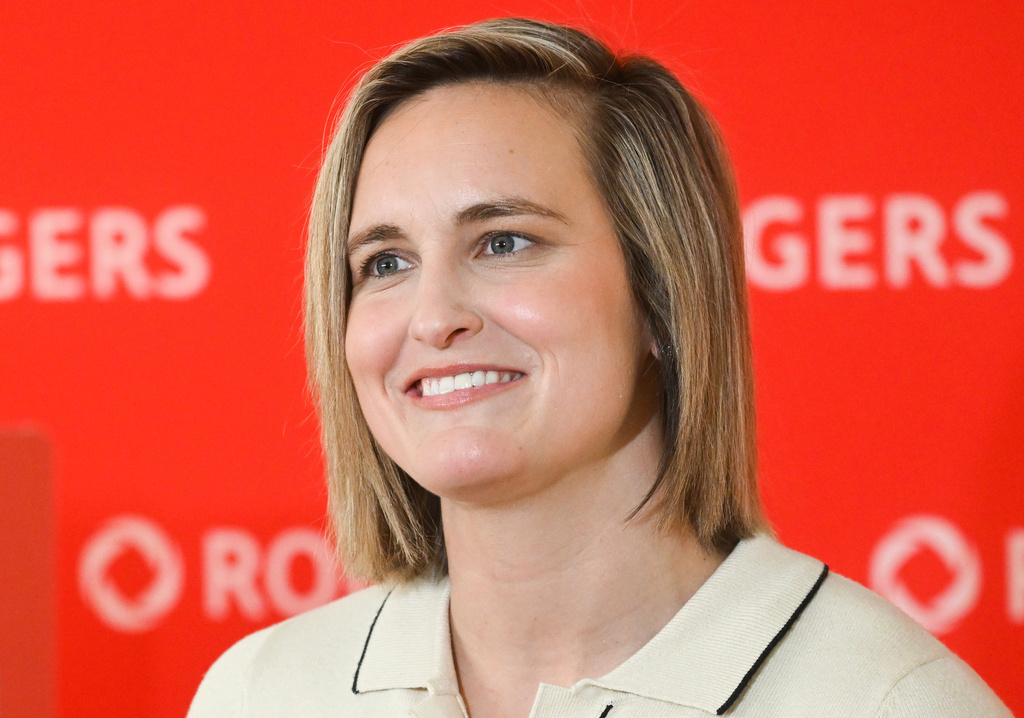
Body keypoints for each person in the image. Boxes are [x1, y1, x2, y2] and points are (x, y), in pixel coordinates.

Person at [188, 17, 1011, 718]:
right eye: (386, 263)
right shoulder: (262, 693)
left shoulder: (886, 701)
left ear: (659, 293)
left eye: (504, 242)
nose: (434, 318)